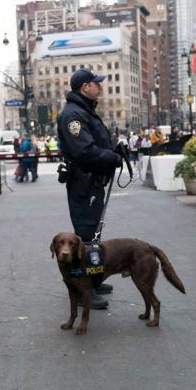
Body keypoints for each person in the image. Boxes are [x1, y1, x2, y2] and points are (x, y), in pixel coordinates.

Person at [57, 68, 122, 310]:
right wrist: (113, 158)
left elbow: (95, 144)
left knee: (93, 235)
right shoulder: (73, 116)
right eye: (96, 83)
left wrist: (114, 151)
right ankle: (86, 288)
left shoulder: (84, 111)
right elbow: (85, 151)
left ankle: (93, 280)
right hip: (84, 184)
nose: (100, 87)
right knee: (85, 238)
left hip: (92, 182)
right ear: (85, 87)